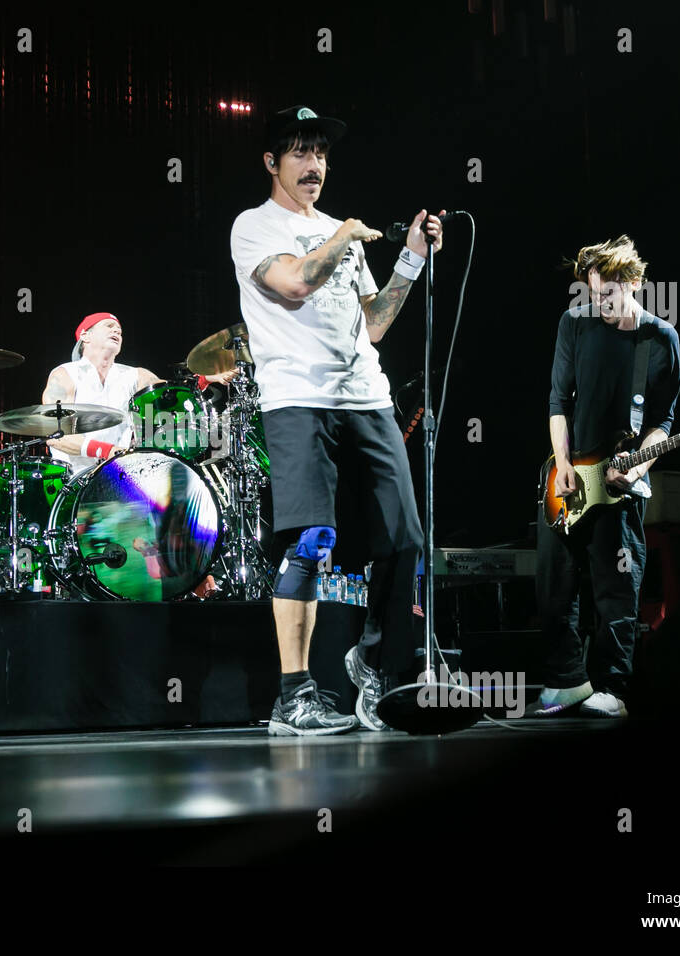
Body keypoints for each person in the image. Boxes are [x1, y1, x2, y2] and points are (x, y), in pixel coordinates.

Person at [229, 105, 442, 735]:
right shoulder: (254, 227)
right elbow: (293, 284)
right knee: (310, 541)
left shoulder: (337, 232)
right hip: (296, 395)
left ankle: (372, 664)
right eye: (297, 151)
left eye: (319, 152)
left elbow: (372, 323)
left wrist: (409, 260)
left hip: (365, 394)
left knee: (405, 536)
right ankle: (293, 696)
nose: (313, 163)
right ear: (272, 162)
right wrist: (345, 234)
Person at [535, 236, 680, 718]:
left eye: (608, 295)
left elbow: (663, 418)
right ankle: (567, 681)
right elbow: (558, 402)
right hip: (569, 478)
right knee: (555, 586)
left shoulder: (659, 339)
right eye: (593, 294)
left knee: (617, 588)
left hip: (622, 483)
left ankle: (613, 688)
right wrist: (563, 464)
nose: (599, 304)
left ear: (635, 283)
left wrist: (638, 465)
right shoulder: (573, 324)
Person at [42, 312, 163, 473]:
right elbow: (57, 437)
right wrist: (109, 451)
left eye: (119, 330)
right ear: (85, 335)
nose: (117, 331)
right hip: (73, 478)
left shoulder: (136, 375)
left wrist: (203, 376)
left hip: (122, 474)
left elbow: (173, 396)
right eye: (109, 326)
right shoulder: (65, 374)